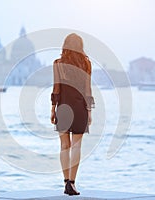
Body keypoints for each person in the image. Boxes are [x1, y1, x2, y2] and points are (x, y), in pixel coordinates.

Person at [50, 33, 95, 196]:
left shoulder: (58, 63)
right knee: (76, 146)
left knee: (64, 146)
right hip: (80, 107)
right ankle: (72, 183)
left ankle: (65, 182)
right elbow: (87, 89)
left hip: (63, 107)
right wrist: (89, 112)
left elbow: (56, 89)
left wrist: (52, 110)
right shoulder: (86, 63)